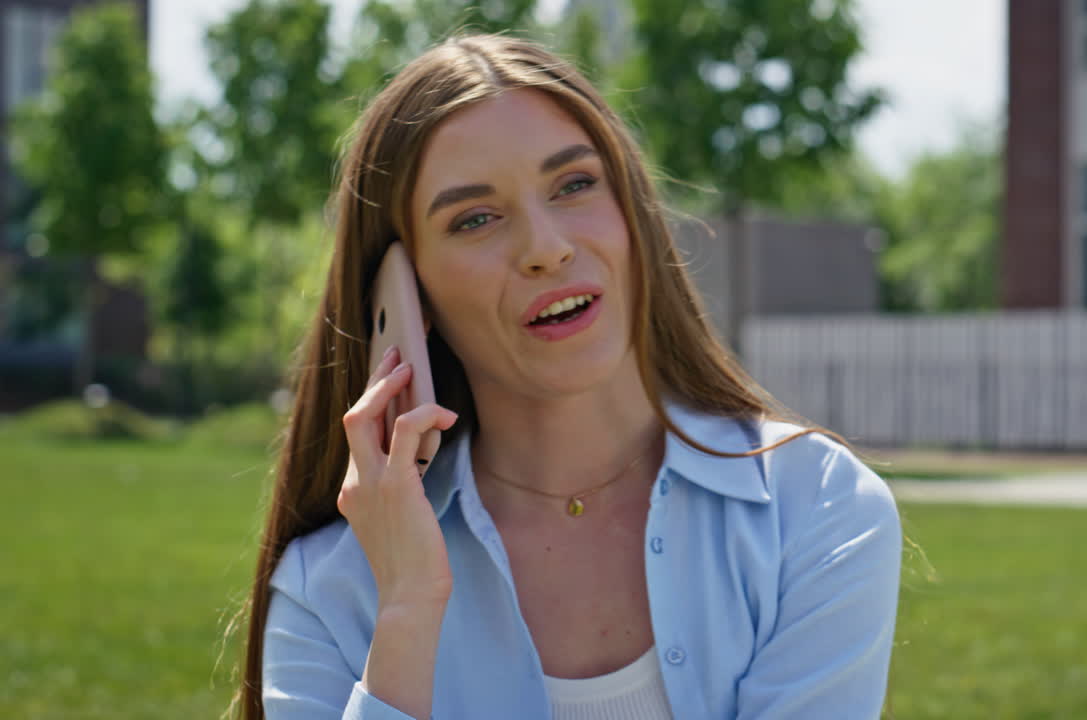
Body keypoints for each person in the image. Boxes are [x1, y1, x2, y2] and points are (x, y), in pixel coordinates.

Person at [231, 33, 901, 720]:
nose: (547, 249)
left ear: (632, 213)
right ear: (404, 296)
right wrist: (404, 609)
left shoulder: (814, 508)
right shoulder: (330, 588)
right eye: (476, 219)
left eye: (575, 184)